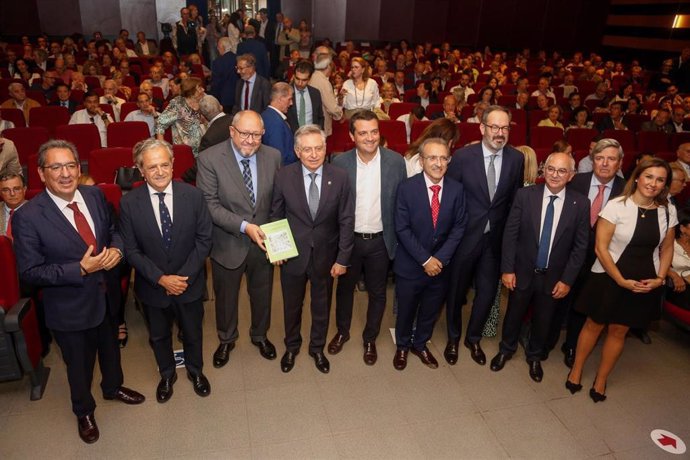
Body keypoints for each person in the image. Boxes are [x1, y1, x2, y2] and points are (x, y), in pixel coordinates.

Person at [12, 140, 145, 443]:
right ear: (41, 173)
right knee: (79, 365)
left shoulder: (95, 194)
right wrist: (79, 269)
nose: (65, 173)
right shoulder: (28, 217)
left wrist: (116, 250)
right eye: (55, 167)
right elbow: (30, 272)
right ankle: (83, 410)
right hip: (69, 307)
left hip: (108, 295)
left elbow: (114, 231)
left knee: (111, 350)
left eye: (71, 165)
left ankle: (113, 387)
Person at [566, 158, 676, 402]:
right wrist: (620, 279)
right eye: (649, 177)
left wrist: (659, 278)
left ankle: (602, 378)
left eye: (660, 179)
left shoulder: (668, 210)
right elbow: (600, 249)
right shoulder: (617, 206)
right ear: (637, 177)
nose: (653, 183)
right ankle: (576, 369)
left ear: (665, 185)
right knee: (593, 325)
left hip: (644, 281)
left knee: (619, 330)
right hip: (608, 276)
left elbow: (667, 248)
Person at [119, 139, 212, 403]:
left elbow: (204, 240)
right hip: (152, 287)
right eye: (151, 167)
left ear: (173, 165)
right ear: (140, 170)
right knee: (159, 336)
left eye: (164, 165)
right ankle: (167, 375)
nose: (159, 172)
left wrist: (182, 278)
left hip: (189, 283)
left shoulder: (193, 196)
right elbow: (131, 250)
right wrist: (161, 279)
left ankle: (196, 372)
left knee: (193, 332)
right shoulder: (129, 203)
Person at [490, 152, 589, 382]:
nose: (555, 175)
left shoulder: (580, 204)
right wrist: (507, 269)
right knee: (514, 314)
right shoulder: (525, 195)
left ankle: (534, 356)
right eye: (551, 169)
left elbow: (580, 247)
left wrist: (567, 280)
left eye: (562, 171)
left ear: (571, 175)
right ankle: (506, 349)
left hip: (554, 278)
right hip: (522, 272)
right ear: (543, 170)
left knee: (545, 319)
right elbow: (510, 234)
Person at [196, 110, 282, 368]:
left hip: (264, 243)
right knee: (225, 299)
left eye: (256, 134)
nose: (250, 140)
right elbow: (209, 205)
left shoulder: (274, 156)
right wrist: (246, 227)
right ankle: (226, 339)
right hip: (227, 242)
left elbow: (277, 201)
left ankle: (260, 335)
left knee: (263, 295)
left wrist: (279, 241)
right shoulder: (209, 159)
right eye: (244, 133)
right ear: (232, 131)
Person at [270, 124, 354, 374]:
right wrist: (278, 251)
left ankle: (317, 348)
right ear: (297, 151)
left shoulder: (339, 177)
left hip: (326, 258)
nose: (314, 154)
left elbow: (346, 220)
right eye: (307, 149)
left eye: (318, 148)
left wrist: (342, 258)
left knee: (321, 305)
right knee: (291, 306)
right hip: (292, 256)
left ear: (326, 149)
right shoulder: (283, 176)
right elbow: (276, 216)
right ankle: (292, 346)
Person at [444, 105, 525, 366]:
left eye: (505, 128)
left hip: (495, 242)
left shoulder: (516, 159)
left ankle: (473, 338)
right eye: (494, 127)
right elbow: (450, 198)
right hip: (465, 238)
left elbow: (514, 202)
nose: (499, 133)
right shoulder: (462, 157)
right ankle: (454, 338)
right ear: (482, 128)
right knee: (456, 292)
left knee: (488, 293)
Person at [328, 110, 407, 365]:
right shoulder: (339, 163)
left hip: (381, 242)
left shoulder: (396, 162)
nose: (370, 137)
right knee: (344, 290)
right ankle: (342, 331)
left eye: (374, 131)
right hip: (348, 241)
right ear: (352, 136)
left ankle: (370, 338)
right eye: (363, 132)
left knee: (378, 292)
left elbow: (401, 203)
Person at [393, 137, 467, 370]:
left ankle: (420, 343)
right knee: (406, 310)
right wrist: (425, 259)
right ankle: (403, 346)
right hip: (411, 264)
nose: (438, 163)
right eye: (432, 158)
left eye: (443, 158)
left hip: (441, 267)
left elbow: (459, 227)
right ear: (422, 160)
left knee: (430, 310)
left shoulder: (457, 189)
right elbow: (401, 228)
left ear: (449, 160)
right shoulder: (406, 188)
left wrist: (439, 259)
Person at [558, 138, 626, 367]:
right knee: (560, 299)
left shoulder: (626, 191)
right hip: (569, 254)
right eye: (599, 158)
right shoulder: (575, 182)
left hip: (602, 259)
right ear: (592, 160)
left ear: (619, 163)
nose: (605, 163)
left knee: (584, 304)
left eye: (611, 159)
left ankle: (572, 347)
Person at [155, 77, 206, 156]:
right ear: (191, 90)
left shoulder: (204, 100)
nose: (203, 90)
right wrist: (162, 147)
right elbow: (160, 124)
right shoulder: (178, 104)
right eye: (199, 88)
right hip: (184, 152)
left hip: (204, 150)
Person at [261, 82, 298, 166]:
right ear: (280, 99)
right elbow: (279, 156)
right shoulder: (275, 122)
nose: (291, 103)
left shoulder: (266, 115)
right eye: (289, 99)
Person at [309, 46, 343, 136]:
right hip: (321, 124)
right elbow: (332, 107)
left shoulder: (312, 76)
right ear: (328, 66)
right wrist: (339, 114)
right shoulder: (323, 82)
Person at [287, 59, 324, 132]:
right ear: (294, 76)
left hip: (311, 137)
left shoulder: (315, 93)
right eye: (297, 79)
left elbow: (320, 117)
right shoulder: (286, 92)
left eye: (304, 80)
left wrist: (319, 132)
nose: (300, 83)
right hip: (292, 138)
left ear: (309, 79)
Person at [666, 208, 690, 310]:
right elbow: (658, 264)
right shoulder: (669, 245)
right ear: (682, 228)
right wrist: (674, 276)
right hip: (681, 288)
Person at [0, 171, 27, 239]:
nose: (12, 194)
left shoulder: (38, 211)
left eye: (16, 189)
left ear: (24, 189)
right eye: (6, 190)